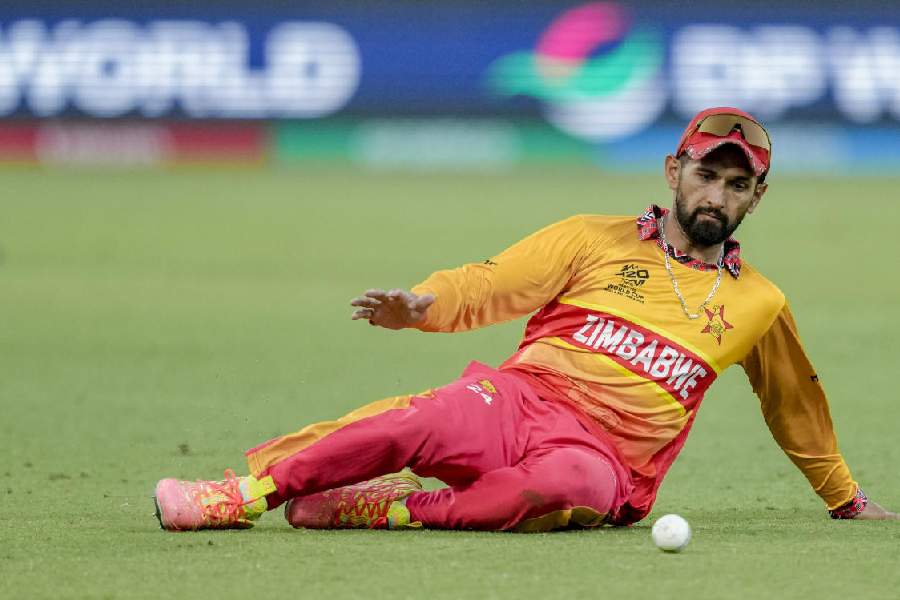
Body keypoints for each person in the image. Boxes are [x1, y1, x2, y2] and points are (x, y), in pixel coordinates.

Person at [154, 107, 897, 533]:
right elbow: (489, 285)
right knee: (412, 422)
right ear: (674, 172)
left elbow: (795, 406)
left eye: (738, 185)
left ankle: (386, 511)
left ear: (755, 199)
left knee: (557, 487)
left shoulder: (760, 304)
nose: (717, 196)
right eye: (707, 174)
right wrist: (423, 305)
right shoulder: (590, 237)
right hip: (518, 404)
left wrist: (844, 497)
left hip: (606, 462)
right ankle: (237, 497)